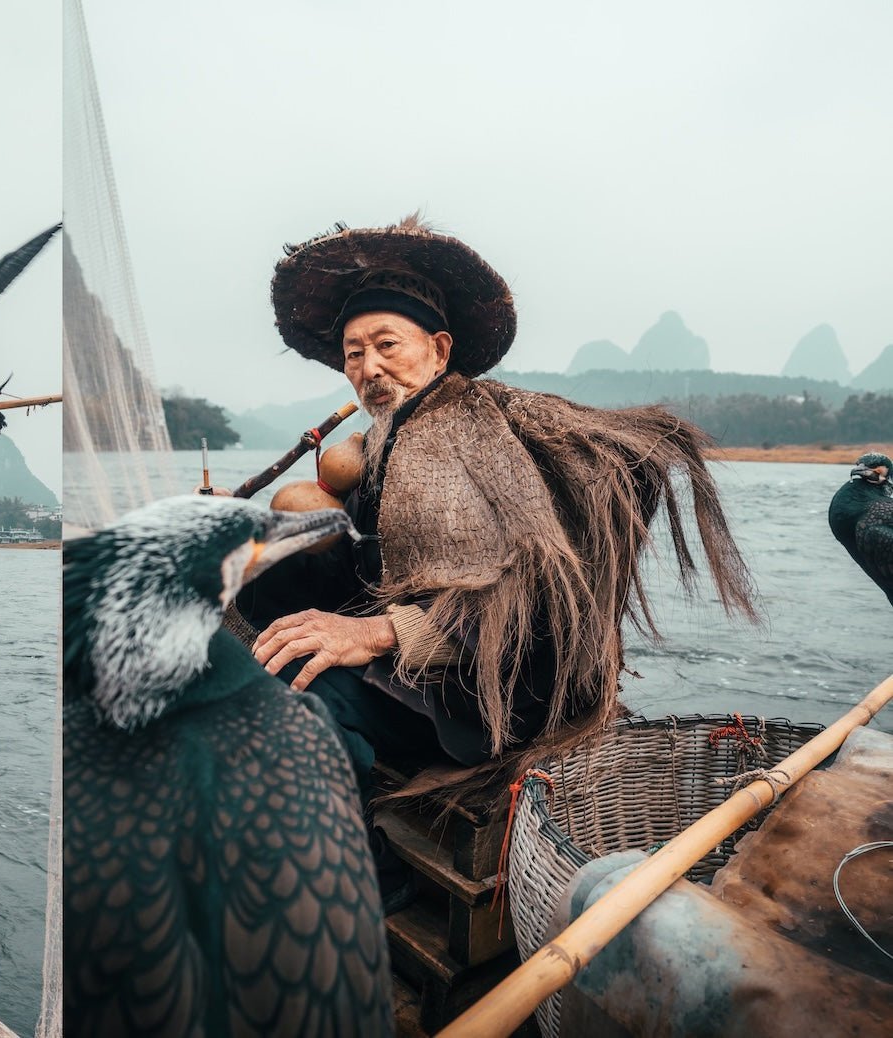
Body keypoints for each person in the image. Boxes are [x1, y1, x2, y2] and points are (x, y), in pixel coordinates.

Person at [230, 216, 757, 908]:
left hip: (491, 691)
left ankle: (366, 885)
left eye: (387, 344)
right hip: (425, 664)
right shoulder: (389, 438)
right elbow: (379, 562)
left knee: (312, 691)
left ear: (439, 348)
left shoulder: (467, 431)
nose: (368, 367)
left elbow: (525, 596)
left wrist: (372, 634)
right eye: (354, 353)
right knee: (261, 624)